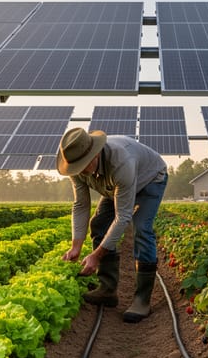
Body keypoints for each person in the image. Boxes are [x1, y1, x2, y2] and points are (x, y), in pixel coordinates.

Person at [57, 127, 168, 323]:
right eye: (77, 167)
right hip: (114, 187)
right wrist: (76, 246)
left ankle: (142, 300)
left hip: (149, 179)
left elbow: (123, 216)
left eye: (84, 165)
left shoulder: (120, 162)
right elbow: (81, 204)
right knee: (99, 222)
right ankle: (107, 290)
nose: (81, 171)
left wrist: (96, 255)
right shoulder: (76, 165)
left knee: (141, 228)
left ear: (95, 154)